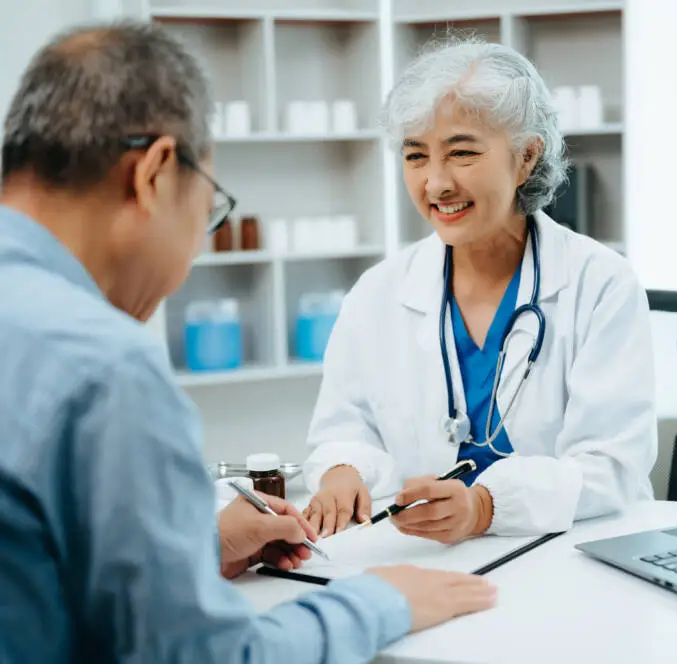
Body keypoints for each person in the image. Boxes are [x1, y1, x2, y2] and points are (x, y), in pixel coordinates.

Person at [0, 22, 495, 664]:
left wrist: (193, 548)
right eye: (209, 211)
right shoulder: (103, 370)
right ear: (152, 173)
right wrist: (383, 601)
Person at [302, 38, 659, 543]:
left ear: (526, 157)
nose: (436, 183)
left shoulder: (600, 284)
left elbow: (611, 467)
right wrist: (343, 470)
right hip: (430, 559)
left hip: (572, 558)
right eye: (416, 156)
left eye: (462, 153)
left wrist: (486, 507)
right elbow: (344, 428)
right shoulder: (377, 294)